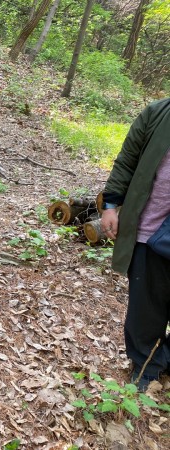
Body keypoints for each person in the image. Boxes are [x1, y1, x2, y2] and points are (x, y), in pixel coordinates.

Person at [101, 97, 170, 391]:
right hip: (149, 230)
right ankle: (146, 367)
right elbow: (127, 159)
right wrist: (111, 204)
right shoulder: (158, 113)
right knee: (145, 310)